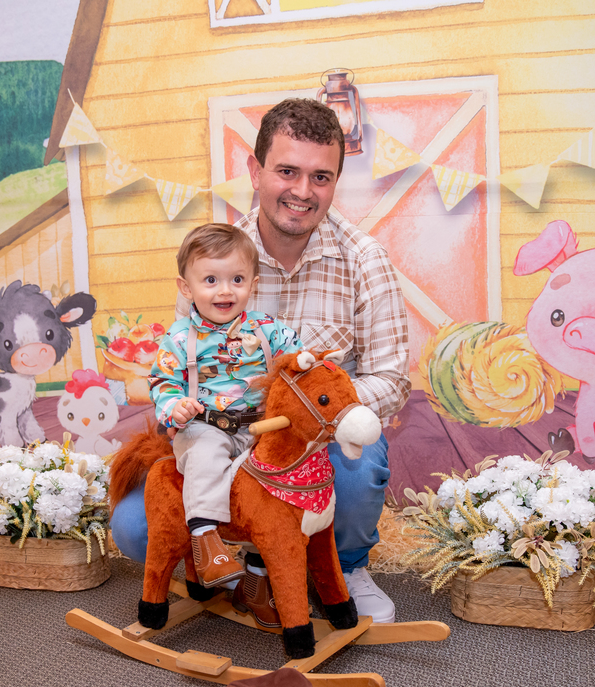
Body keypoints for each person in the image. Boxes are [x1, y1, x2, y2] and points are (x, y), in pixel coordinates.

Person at [111, 98, 411, 623]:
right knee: (136, 530)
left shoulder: (365, 259)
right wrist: (179, 407)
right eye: (287, 171)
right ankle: (244, 562)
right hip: (221, 429)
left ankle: (345, 566)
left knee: (359, 463)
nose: (303, 191)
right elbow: (183, 364)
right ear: (255, 171)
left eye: (321, 177)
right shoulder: (214, 257)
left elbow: (391, 379)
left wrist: (313, 412)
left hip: (313, 438)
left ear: (336, 182)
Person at [149, 223, 302, 614]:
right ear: (186, 288)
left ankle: (256, 576)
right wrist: (175, 406)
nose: (225, 291)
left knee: (268, 488)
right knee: (203, 456)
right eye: (210, 280)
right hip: (205, 425)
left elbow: (295, 359)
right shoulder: (179, 338)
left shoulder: (268, 330)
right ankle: (206, 541)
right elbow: (163, 380)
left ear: (253, 283)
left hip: (257, 428)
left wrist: (304, 363)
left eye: (237, 279)